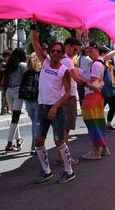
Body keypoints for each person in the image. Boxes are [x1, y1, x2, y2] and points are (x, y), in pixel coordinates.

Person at [30, 21, 75, 184]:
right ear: (49, 52)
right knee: (38, 140)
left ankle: (69, 171)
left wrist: (56, 106)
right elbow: (35, 42)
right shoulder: (46, 62)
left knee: (59, 141)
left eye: (59, 51)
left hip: (57, 110)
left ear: (62, 54)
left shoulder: (64, 71)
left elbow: (68, 92)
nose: (55, 53)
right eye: (53, 51)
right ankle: (46, 170)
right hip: (42, 109)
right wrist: (33, 25)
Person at [79, 42, 112, 160]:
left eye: (90, 51)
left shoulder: (96, 65)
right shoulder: (100, 62)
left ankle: (95, 151)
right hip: (96, 97)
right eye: (87, 51)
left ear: (97, 49)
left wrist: (80, 76)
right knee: (98, 123)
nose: (88, 54)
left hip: (92, 97)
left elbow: (94, 83)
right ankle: (104, 148)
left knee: (93, 124)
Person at [3, 47, 27, 152]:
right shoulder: (22, 65)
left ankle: (18, 139)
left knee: (14, 117)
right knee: (15, 119)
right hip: (18, 92)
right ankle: (9, 143)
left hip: (8, 92)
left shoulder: (8, 64)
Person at [19, 52, 41, 155]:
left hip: (28, 100)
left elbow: (22, 87)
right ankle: (34, 147)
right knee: (36, 124)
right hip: (37, 100)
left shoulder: (26, 73)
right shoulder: (40, 73)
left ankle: (35, 145)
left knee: (34, 123)